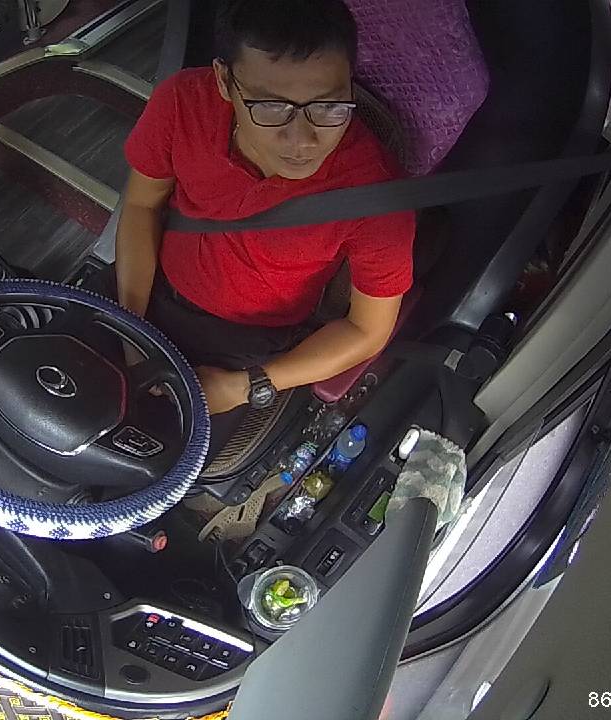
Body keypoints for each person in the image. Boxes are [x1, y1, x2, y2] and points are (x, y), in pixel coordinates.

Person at [114, 0, 415, 456]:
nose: (302, 140)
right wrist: (129, 325)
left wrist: (244, 386)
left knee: (153, 459)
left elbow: (366, 330)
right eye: (271, 107)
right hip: (146, 285)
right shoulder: (183, 102)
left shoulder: (374, 193)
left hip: (246, 345)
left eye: (328, 106)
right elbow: (141, 205)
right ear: (224, 81)